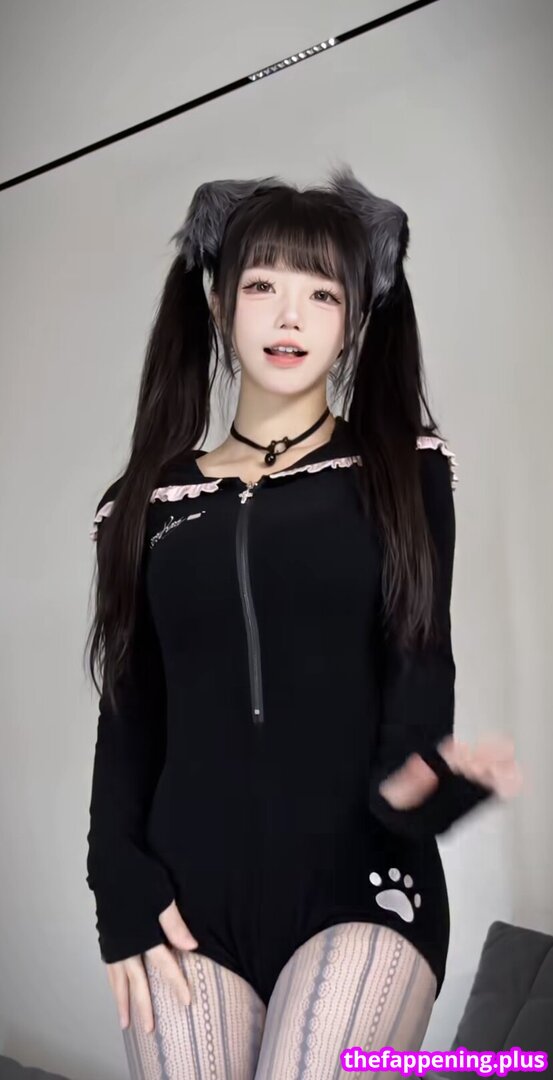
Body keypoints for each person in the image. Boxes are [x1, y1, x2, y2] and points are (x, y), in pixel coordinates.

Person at [84, 164, 523, 1079]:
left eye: (322, 293)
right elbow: (129, 716)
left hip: (361, 889)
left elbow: (420, 666)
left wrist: (424, 786)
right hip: (184, 904)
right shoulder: (143, 504)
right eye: (262, 286)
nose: (290, 316)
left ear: (356, 318)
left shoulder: (401, 469)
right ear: (217, 303)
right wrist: (114, 880)